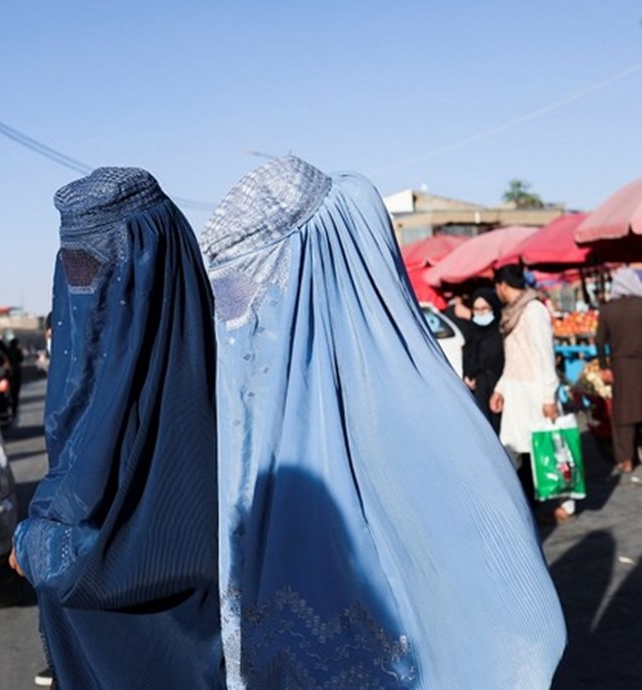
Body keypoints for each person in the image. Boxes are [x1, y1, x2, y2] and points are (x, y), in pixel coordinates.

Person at [199, 156, 564, 689]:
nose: (241, 320)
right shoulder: (251, 428)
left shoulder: (429, 424)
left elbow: (520, 632)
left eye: (253, 292)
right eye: (229, 299)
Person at [9, 167, 223, 689]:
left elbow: (162, 550)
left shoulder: (210, 389)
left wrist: (36, 546)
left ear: (154, 266)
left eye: (101, 265)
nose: (87, 285)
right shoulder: (86, 385)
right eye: (75, 267)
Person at [489, 264, 568, 521]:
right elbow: (514, 359)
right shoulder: (512, 313)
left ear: (502, 285)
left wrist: (548, 397)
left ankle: (561, 503)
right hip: (516, 391)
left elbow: (545, 354)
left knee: (548, 447)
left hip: (535, 391)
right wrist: (501, 388)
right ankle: (529, 505)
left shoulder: (533, 311)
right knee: (519, 450)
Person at [595, 266, 642, 474]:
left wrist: (604, 367)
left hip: (620, 366)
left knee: (623, 413)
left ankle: (626, 459)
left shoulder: (608, 310)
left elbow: (599, 341)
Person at [463, 287, 505, 432]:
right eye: (476, 309)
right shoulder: (471, 331)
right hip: (478, 390)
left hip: (499, 390)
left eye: (484, 308)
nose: (480, 313)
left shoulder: (501, 332)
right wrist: (468, 376)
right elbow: (468, 356)